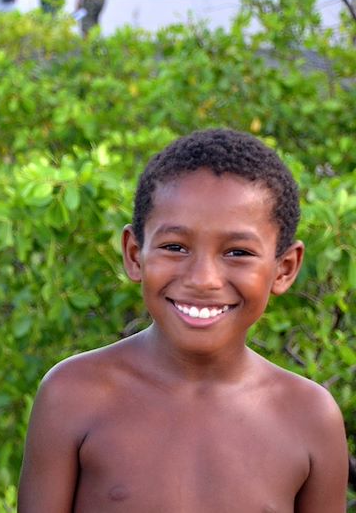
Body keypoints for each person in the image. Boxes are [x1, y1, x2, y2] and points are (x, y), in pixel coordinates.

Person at [17, 128, 349, 512]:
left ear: (285, 268)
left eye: (238, 252)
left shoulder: (310, 417)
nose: (202, 279)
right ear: (134, 254)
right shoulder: (73, 395)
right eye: (175, 247)